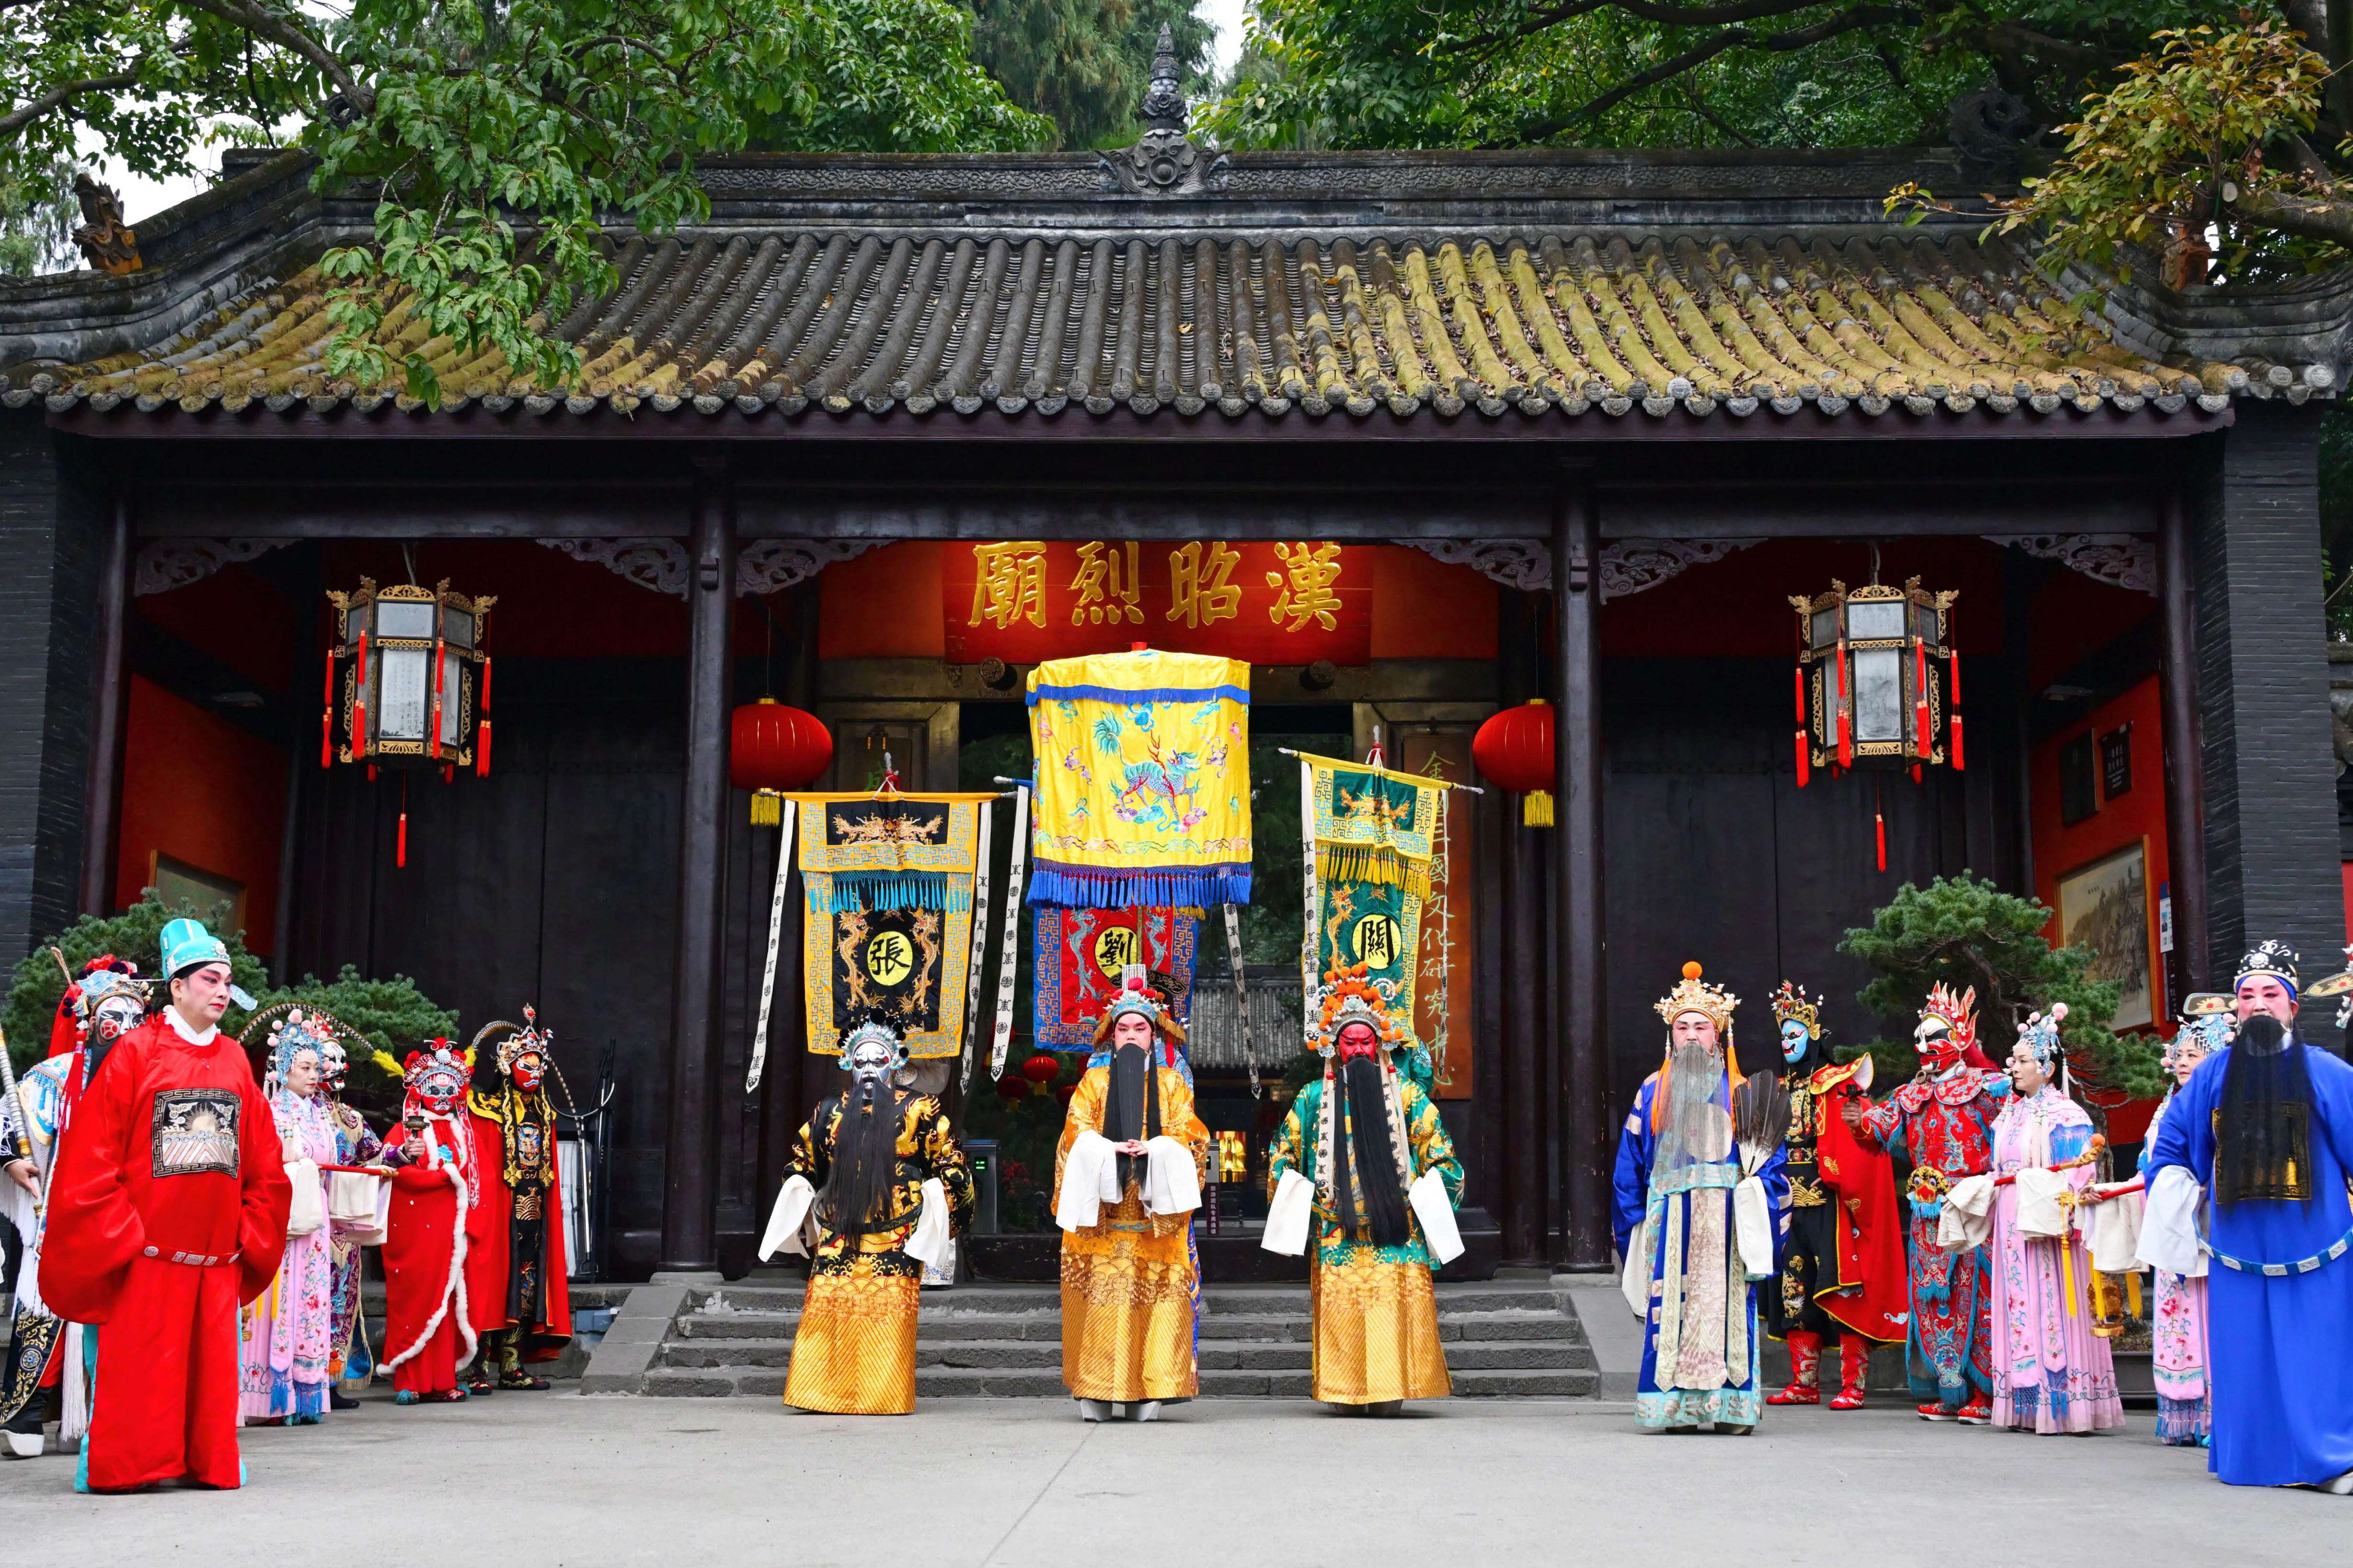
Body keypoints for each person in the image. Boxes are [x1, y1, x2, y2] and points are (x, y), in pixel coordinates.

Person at [38, 918, 291, 1492]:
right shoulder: (136, 1052)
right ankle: (130, 1467)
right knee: (137, 1373)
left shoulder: (235, 1059)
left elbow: (264, 1160)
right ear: (177, 986)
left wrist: (248, 1232)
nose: (222, 991)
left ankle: (203, 1461)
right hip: (146, 1254)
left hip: (216, 1259)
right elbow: (93, 1152)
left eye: (227, 981)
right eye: (209, 980)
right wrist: (125, 1234)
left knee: (209, 1377)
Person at [2145, 941, 2353, 1491]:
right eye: (2248, 995)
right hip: (2238, 1253)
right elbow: (2172, 1146)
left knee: (2318, 1353)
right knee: (2247, 1359)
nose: (2259, 1004)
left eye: (2271, 994)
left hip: (2317, 1250)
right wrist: (2178, 1194)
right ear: (2235, 1007)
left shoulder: (2327, 1073)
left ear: (2292, 1006)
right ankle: (2257, 1460)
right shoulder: (2212, 1076)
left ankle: (2329, 1459)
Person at [1266, 964, 1464, 1414]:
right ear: (1334, 1046)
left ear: (1379, 1044)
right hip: (1337, 1230)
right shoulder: (1312, 1097)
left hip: (1395, 1230)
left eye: (1365, 1042)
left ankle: (1394, 1388)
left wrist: (1418, 1194)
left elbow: (1445, 1160)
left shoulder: (1408, 1096)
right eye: (1349, 1043)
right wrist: (1310, 1196)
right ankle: (1343, 1390)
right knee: (1343, 1314)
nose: (1357, 1050)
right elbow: (1280, 1157)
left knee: (1391, 1314)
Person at [760, 1016, 972, 1415]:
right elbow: (804, 1161)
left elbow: (950, 1163)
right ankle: (820, 1392)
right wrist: (801, 1187)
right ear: (849, 1065)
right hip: (839, 1225)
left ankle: (882, 1395)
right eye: (862, 1062)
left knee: (886, 1310)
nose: (870, 1069)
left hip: (896, 1230)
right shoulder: (828, 1110)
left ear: (895, 1063)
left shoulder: (920, 1109)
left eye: (879, 1060)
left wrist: (936, 1202)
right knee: (829, 1305)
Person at [1612, 962, 1788, 1434]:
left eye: (1701, 1027)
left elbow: (1773, 1166)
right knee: (1671, 1310)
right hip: (1668, 1218)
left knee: (1727, 1310)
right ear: (1670, 1036)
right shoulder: (1651, 1091)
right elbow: (1629, 1164)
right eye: (1682, 1027)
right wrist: (1634, 1223)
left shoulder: (1742, 1092)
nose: (1691, 1036)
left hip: (1726, 1221)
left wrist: (1755, 1199)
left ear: (1718, 1035)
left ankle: (1731, 1408)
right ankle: (1674, 1408)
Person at [0, 957, 149, 1458]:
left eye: (136, 1018)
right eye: (115, 1017)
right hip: (65, 1212)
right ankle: (27, 1409)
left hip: (133, 1216)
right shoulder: (56, 1076)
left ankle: (115, 1416)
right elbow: (10, 1123)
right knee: (46, 1306)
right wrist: (13, 1162)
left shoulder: (157, 1077)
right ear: (90, 1021)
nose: (127, 1027)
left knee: (126, 1319)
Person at [1846, 983, 2010, 1423]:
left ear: (1960, 1037)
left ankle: (1985, 1391)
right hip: (1925, 1214)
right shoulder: (1911, 1093)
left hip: (1973, 1209)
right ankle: (1950, 1388)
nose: (1922, 1046)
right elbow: (1877, 1130)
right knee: (1934, 1300)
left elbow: (2017, 1134)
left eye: (1932, 1037)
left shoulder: (1989, 1087)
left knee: (1978, 1296)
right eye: (1918, 1038)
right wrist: (1858, 1122)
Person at [1053, 972, 1210, 1422]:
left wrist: (1157, 1149)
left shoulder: (1173, 1085)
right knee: (1101, 1304)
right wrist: (1107, 1151)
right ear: (1111, 1035)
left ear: (1154, 1036)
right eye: (1122, 1028)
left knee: (1155, 1303)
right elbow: (1073, 1135)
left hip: (1154, 1221)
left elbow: (1192, 1137)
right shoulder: (1093, 1083)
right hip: (1102, 1219)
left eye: (1140, 1028)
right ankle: (1096, 1389)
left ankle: (1152, 1389)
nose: (1130, 1035)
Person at [1761, 981, 1904, 1411]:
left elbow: (1862, 1138)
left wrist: (1840, 1164)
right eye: (1782, 1036)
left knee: (1841, 1287)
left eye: (1794, 1034)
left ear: (1812, 1036)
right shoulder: (1778, 1089)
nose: (1787, 1043)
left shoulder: (1838, 1084)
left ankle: (1852, 1385)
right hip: (1789, 1203)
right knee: (1793, 1287)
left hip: (1831, 1202)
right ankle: (1803, 1382)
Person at [1986, 1006, 2123, 1435]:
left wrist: (2064, 1205)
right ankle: (2025, 1402)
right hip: (2010, 1221)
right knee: (2018, 1303)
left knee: (2048, 1303)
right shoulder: (2010, 1113)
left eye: (2023, 1060)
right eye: (2014, 1059)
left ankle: (2062, 1402)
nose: (2014, 1066)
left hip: (2045, 1223)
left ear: (2046, 1067)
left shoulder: (2067, 1114)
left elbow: (2079, 1171)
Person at [235, 1009, 341, 1424]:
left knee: (310, 1299)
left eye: (317, 1068)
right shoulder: (270, 1111)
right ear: (284, 1069)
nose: (314, 1075)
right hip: (281, 1214)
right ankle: (268, 1398)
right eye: (305, 1067)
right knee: (278, 1298)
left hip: (314, 1216)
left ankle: (305, 1391)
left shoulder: (320, 1113)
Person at [463, 1009, 572, 1394]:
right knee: (490, 1282)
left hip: (534, 1209)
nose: (535, 1072)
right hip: (498, 1210)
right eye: (526, 1065)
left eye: (539, 1066)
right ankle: (476, 1365)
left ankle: (512, 1363)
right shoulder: (485, 1108)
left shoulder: (544, 1112)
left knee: (525, 1286)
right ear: (507, 1067)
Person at [2141, 1001, 2229, 1447]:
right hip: (2171, 1219)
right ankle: (2185, 1413)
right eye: (2178, 1053)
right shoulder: (2165, 1108)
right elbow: (2148, 1167)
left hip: (2208, 1222)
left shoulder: (2220, 1103)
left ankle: (2219, 1413)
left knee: (2210, 1315)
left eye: (2193, 1053)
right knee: (2176, 1315)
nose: (2180, 1060)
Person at [377, 1040, 478, 1405]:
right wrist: (432, 1171)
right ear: (419, 1090)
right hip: (415, 1230)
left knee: (447, 1302)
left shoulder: (464, 1130)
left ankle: (442, 1378)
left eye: (450, 1090)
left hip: (452, 1231)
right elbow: (390, 1169)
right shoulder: (405, 1130)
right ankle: (411, 1378)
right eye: (434, 1089)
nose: (442, 1096)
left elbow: (476, 1176)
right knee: (416, 1300)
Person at [316, 1036, 383, 1406]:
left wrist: (403, 1153)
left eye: (339, 1061)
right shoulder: (284, 1115)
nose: (335, 1069)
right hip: (300, 1223)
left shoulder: (350, 1119)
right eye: (324, 1062)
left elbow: (374, 1155)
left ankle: (329, 1381)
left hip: (341, 1230)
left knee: (339, 1304)